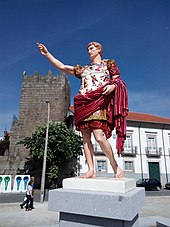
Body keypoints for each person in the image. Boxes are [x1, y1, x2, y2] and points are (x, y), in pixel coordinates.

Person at [37, 41, 128, 178]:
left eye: (92, 48)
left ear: (99, 50)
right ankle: (91, 169)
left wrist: (113, 87)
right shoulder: (84, 69)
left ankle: (114, 165)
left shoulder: (108, 64)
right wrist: (47, 54)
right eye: (88, 49)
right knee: (85, 137)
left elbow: (118, 80)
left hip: (98, 101)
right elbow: (62, 67)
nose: (89, 51)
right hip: (83, 103)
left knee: (99, 136)